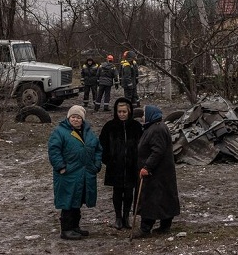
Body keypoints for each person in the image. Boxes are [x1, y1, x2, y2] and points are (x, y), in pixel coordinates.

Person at [47, 105, 102, 240]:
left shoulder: (88, 132)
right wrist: (61, 167)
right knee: (68, 201)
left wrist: (96, 165)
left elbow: (98, 149)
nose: (76, 120)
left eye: (78, 117)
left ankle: (75, 227)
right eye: (73, 117)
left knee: (78, 200)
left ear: (82, 119)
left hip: (84, 173)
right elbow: (54, 150)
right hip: (68, 173)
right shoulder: (60, 132)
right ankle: (66, 229)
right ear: (68, 117)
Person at [132, 105, 181, 239]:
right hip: (163, 173)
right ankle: (165, 226)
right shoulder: (158, 127)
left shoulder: (156, 129)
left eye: (144, 114)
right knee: (165, 198)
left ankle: (145, 229)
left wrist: (147, 167)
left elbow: (157, 151)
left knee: (150, 200)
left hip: (156, 174)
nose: (142, 117)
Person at [99, 97, 143, 230]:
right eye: (119, 112)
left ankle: (126, 217)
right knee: (117, 192)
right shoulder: (109, 127)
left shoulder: (136, 127)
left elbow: (142, 145)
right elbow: (102, 145)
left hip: (131, 166)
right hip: (115, 166)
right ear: (116, 112)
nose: (122, 114)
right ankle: (118, 217)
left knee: (129, 192)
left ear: (129, 111)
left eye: (124, 112)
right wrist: (108, 159)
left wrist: (138, 160)